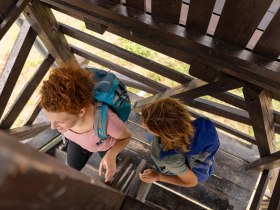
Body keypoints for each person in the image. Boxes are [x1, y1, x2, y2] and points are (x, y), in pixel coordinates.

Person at [40, 65, 131, 182]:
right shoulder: (66, 116)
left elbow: (126, 137)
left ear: (81, 112)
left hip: (105, 146)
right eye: (49, 119)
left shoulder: (108, 120)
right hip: (76, 142)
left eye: (60, 121)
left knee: (107, 159)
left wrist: (112, 154)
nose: (53, 127)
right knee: (73, 167)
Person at [139, 97, 219, 187]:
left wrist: (158, 176)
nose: (141, 123)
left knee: (151, 139)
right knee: (150, 137)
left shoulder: (171, 160)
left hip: (175, 165)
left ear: (164, 133)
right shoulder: (201, 125)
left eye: (147, 125)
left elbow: (191, 182)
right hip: (197, 157)